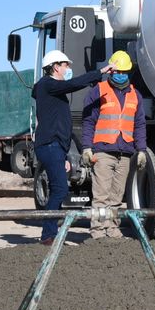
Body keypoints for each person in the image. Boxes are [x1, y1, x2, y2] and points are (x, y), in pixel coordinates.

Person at [33, 50, 114, 245]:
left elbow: (62, 124)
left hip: (56, 147)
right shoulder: (48, 85)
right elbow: (73, 84)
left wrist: (66, 155)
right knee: (60, 189)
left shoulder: (52, 90)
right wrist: (100, 71)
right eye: (65, 65)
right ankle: (47, 235)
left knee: (58, 189)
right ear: (55, 67)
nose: (68, 68)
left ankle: (50, 234)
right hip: (50, 146)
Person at [81, 50, 148, 239]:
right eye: (117, 72)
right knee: (101, 196)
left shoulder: (136, 95)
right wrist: (87, 147)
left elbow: (139, 124)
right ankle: (98, 231)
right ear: (110, 71)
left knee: (117, 197)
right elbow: (88, 121)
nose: (120, 75)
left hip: (125, 152)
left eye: (124, 72)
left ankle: (112, 228)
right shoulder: (98, 91)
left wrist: (141, 150)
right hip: (102, 151)